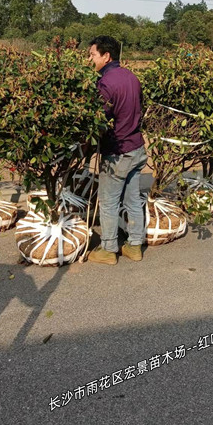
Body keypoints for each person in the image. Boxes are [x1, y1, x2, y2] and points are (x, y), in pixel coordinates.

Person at [87, 35, 147, 265]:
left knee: (109, 200)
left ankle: (109, 249)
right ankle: (134, 246)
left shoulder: (105, 83)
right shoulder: (132, 77)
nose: (90, 59)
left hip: (118, 152)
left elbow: (99, 119)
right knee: (132, 199)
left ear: (106, 56)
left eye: (92, 55)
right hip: (137, 149)